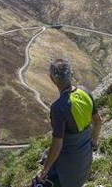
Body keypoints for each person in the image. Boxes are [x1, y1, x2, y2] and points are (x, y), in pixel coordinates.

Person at [37, 58, 102, 187]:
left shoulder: (58, 107)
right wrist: (93, 142)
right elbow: (98, 122)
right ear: (70, 74)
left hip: (68, 168)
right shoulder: (85, 91)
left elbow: (57, 144)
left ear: (53, 79)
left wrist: (45, 170)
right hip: (85, 160)